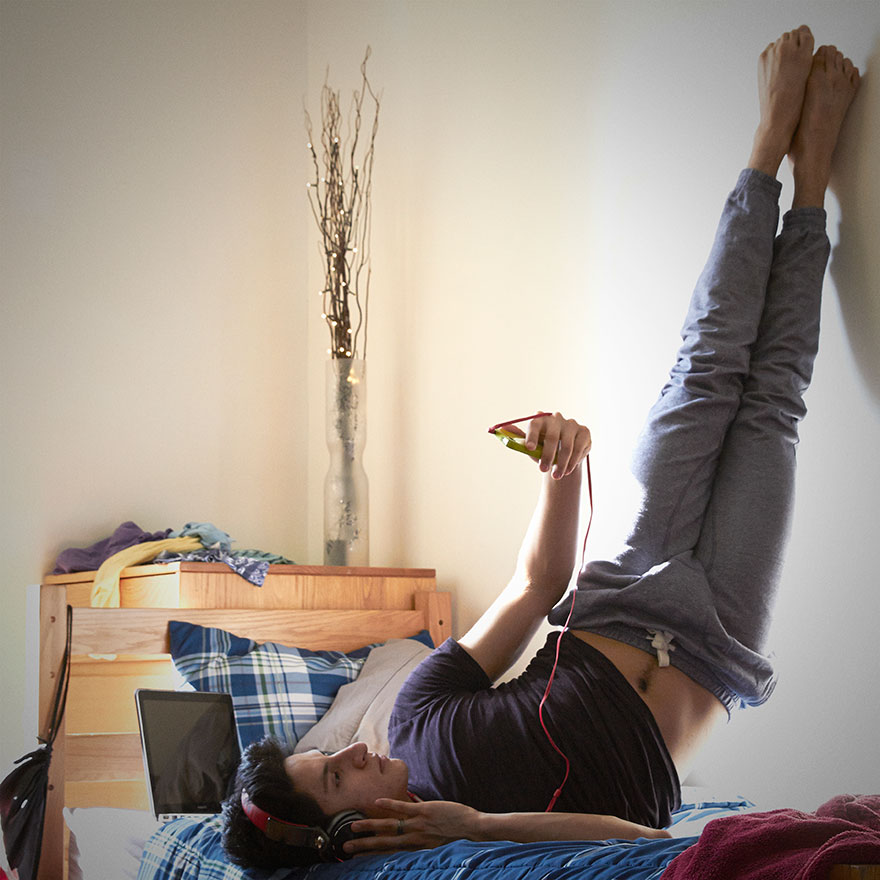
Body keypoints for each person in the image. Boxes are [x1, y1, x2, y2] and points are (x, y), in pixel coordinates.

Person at [221, 27, 861, 868]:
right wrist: (476, 826)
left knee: (707, 371)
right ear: (345, 836)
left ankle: (766, 147)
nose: (352, 753)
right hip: (718, 641)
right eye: (337, 781)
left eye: (327, 753)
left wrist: (560, 474)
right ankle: (811, 185)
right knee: (774, 403)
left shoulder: (417, 711)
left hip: (628, 584)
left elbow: (537, 585)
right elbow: (642, 841)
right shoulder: (460, 836)